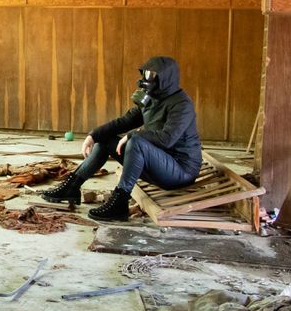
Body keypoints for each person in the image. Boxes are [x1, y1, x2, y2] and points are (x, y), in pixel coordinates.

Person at [41, 55, 201, 222]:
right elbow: (125, 121)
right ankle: (72, 187)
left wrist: (132, 135)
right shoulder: (152, 98)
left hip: (181, 170)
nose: (146, 80)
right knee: (106, 139)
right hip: (158, 162)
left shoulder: (182, 104)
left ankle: (120, 202)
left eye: (152, 76)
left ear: (166, 78)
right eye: (145, 75)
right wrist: (93, 135)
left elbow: (167, 139)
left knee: (137, 142)